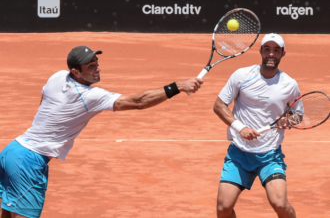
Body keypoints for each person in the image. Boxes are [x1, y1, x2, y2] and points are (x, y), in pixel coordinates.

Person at [0, 46, 203, 218]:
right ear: (76, 72)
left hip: (13, 151)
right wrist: (177, 86)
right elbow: (139, 102)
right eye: (91, 66)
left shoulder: (58, 76)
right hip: (29, 162)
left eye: (96, 62)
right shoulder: (91, 96)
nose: (98, 68)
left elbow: (44, 100)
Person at [214, 33, 300, 218]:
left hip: (270, 156)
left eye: (276, 50)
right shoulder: (241, 75)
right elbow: (219, 105)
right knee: (223, 209)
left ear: (282, 54)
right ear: (260, 51)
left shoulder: (290, 85)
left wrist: (290, 120)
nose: (271, 54)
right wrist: (240, 128)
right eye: (267, 49)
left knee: (280, 204)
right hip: (239, 154)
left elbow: (298, 116)